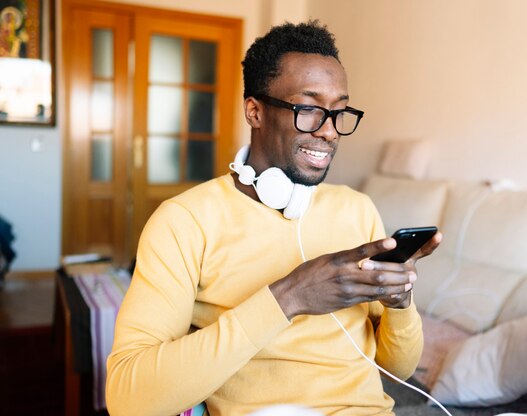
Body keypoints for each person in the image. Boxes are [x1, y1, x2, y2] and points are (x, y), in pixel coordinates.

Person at [106, 20, 441, 416]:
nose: (330, 131)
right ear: (255, 111)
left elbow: (396, 370)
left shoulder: (357, 209)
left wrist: (400, 304)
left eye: (338, 112)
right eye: (311, 109)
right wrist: (289, 297)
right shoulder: (185, 221)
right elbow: (128, 400)